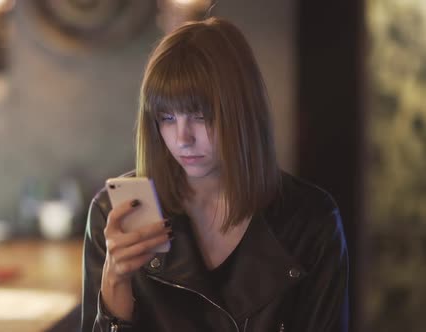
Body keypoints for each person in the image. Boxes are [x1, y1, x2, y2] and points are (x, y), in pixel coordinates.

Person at [82, 17, 349, 332]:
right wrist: (115, 282)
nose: (183, 138)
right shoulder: (113, 213)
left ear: (242, 112)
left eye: (200, 115)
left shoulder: (310, 220)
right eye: (167, 117)